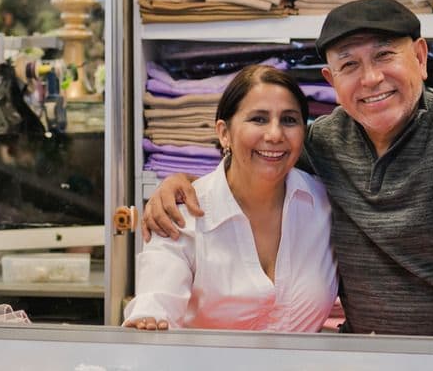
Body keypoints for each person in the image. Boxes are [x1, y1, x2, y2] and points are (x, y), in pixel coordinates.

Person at [142, 0, 433, 337]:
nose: (371, 79)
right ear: (332, 80)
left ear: (420, 58)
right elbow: (257, 164)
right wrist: (181, 183)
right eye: (349, 64)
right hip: (359, 353)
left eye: (385, 55)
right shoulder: (322, 142)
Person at [124, 65, 338, 332]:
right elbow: (156, 305)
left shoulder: (327, 206)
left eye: (289, 120)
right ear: (224, 132)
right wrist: (149, 319)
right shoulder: (182, 216)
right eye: (258, 119)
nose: (275, 134)